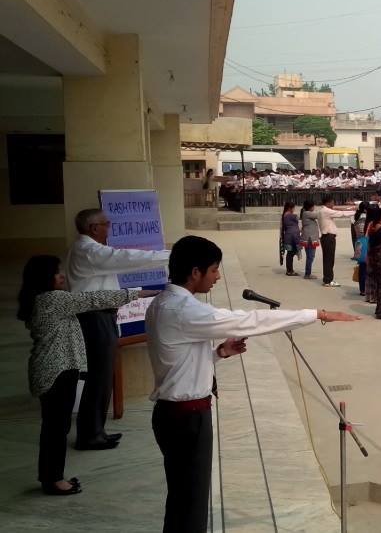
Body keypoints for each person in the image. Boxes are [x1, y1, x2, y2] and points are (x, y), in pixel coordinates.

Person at [146, 235, 358, 533]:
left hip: (173, 415)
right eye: (214, 270)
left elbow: (177, 361)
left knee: (183, 498)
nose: (218, 277)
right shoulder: (184, 310)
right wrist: (317, 314)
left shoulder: (161, 303)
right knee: (190, 504)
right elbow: (250, 320)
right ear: (195, 272)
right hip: (187, 418)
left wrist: (219, 353)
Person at [17, 255, 158, 495]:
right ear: (44, 277)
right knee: (56, 429)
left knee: (54, 427)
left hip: (51, 370)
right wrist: (140, 293)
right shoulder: (53, 299)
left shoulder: (40, 300)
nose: (62, 276)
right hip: (57, 372)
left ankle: (51, 477)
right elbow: (94, 298)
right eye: (57, 272)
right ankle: (54, 480)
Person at [66, 208, 170, 450]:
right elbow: (127, 258)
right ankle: (89, 435)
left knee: (103, 376)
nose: (109, 228)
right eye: (106, 224)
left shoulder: (90, 250)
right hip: (94, 318)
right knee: (99, 376)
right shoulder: (88, 250)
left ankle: (96, 430)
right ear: (94, 228)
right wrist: (171, 255)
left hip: (101, 315)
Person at [318, 196, 354, 287]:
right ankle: (328, 280)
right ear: (328, 203)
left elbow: (337, 210)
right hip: (328, 237)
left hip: (326, 237)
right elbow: (341, 214)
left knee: (327, 259)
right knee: (329, 259)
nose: (333, 204)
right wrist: (355, 212)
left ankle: (327, 279)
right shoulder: (326, 211)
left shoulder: (322, 210)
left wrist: (351, 209)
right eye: (332, 203)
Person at [299, 200, 320, 280]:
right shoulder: (307, 213)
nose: (314, 207)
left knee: (310, 256)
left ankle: (308, 273)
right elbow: (318, 215)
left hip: (309, 238)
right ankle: (308, 274)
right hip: (309, 238)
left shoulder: (305, 213)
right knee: (310, 256)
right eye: (313, 206)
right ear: (310, 207)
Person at [280, 202, 300, 276]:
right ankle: (289, 270)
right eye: (293, 208)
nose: (294, 209)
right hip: (292, 237)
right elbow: (299, 219)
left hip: (288, 235)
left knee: (290, 253)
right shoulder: (292, 216)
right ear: (289, 208)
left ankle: (289, 270)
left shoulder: (284, 215)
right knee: (291, 253)